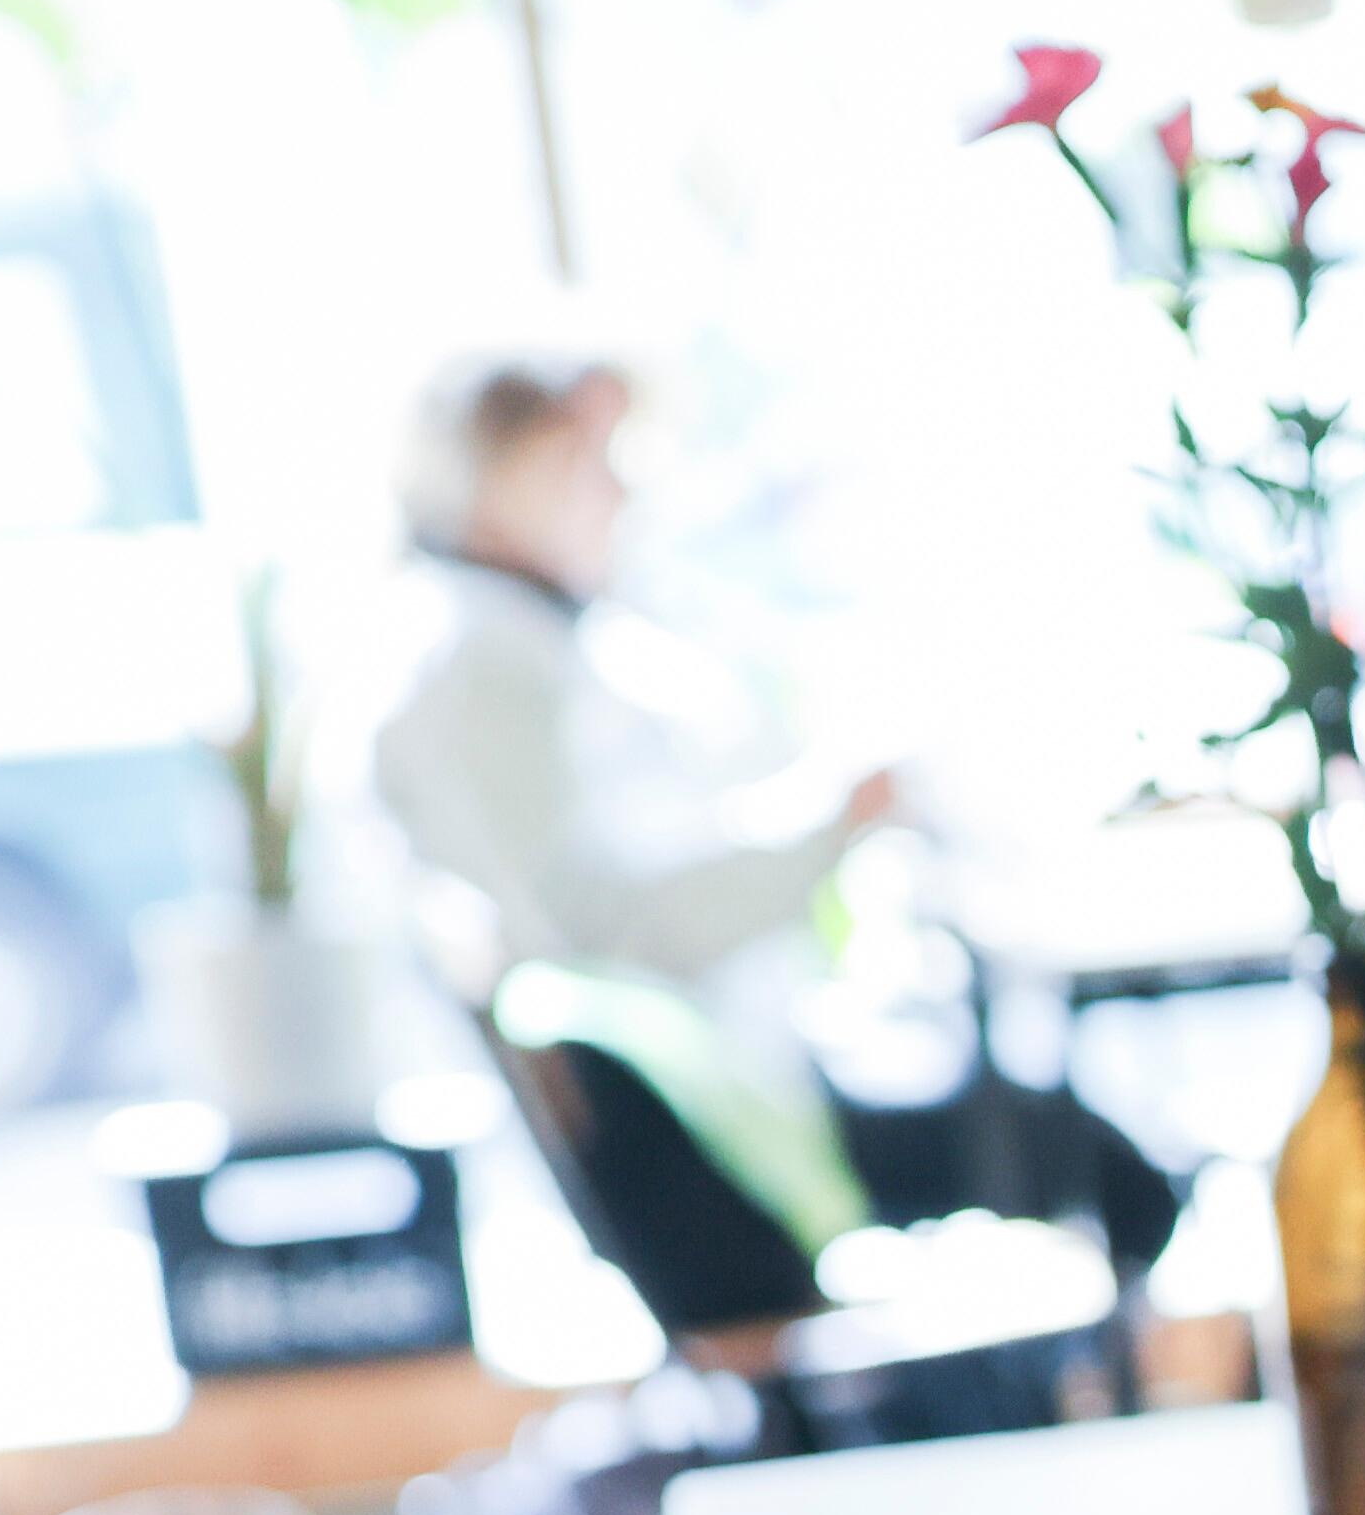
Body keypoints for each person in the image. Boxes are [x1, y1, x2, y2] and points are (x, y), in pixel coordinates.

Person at [358, 347, 1175, 1268]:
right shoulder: (482, 659)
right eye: (582, 462)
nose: (617, 494)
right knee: (1100, 1170)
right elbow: (607, 926)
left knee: (1061, 1142)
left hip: (737, 1089)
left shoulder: (525, 638)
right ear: (494, 483)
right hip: (707, 1134)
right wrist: (831, 828)